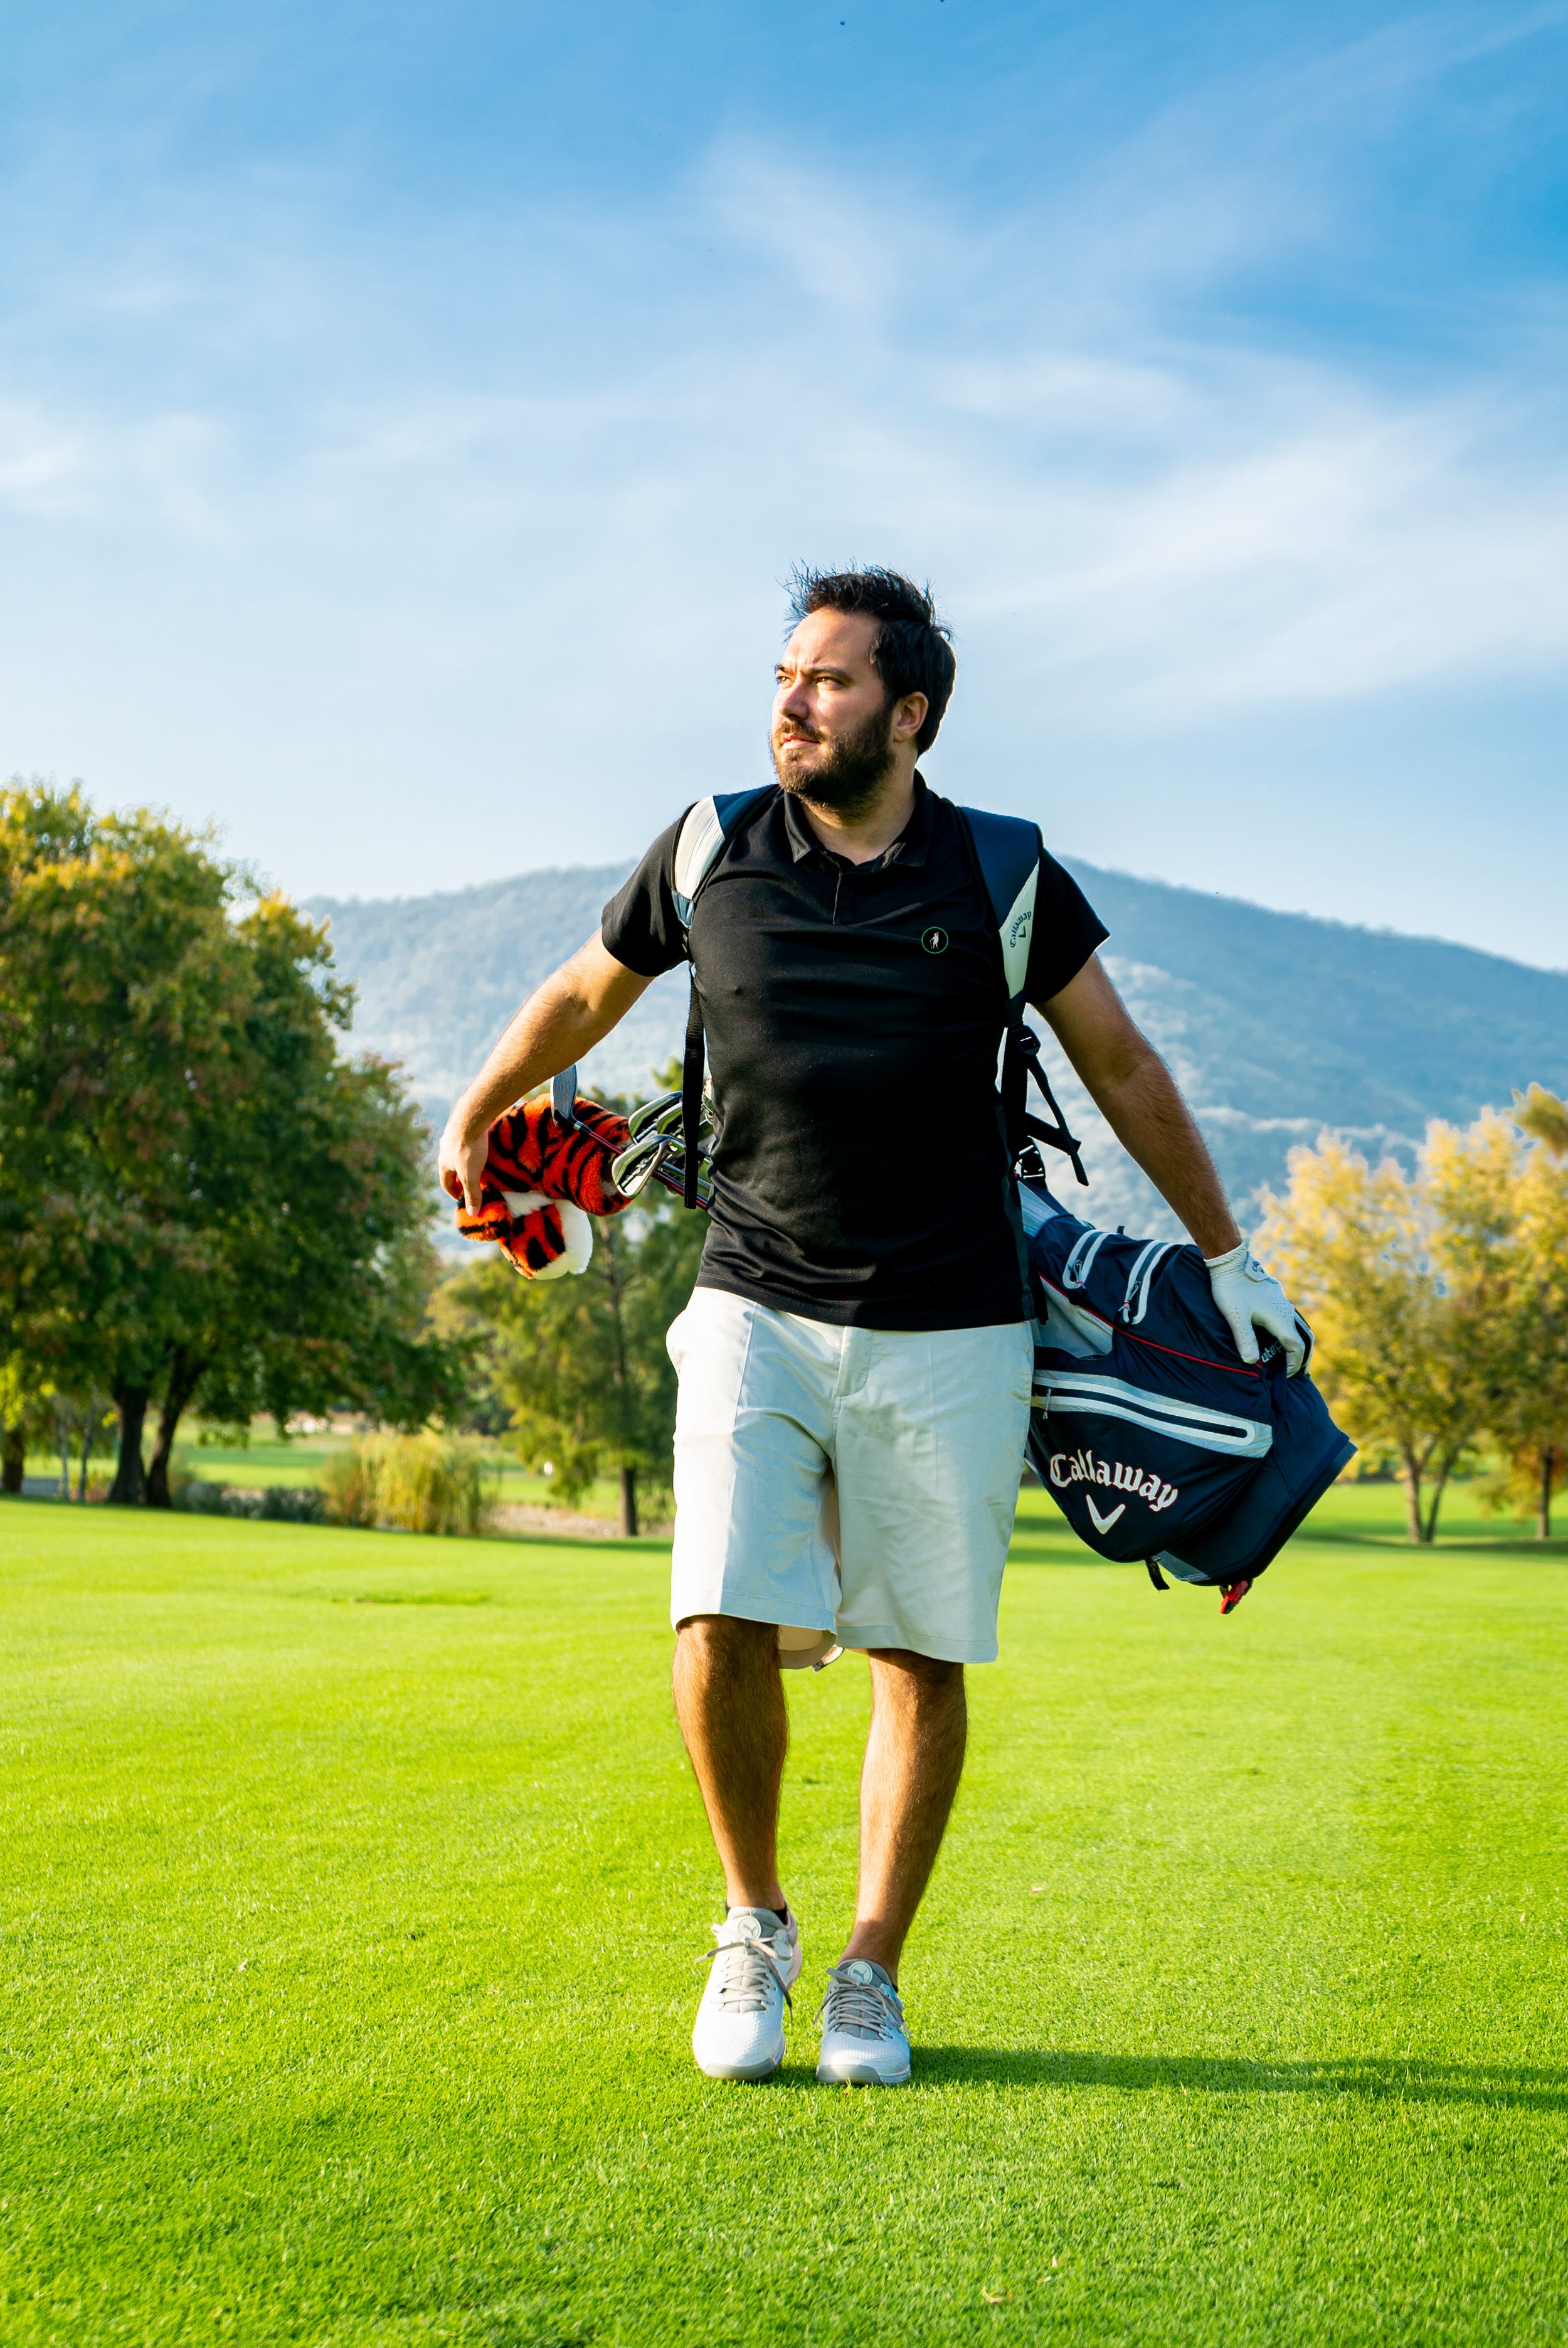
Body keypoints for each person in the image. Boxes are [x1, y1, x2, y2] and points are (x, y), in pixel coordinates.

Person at [438, 567, 1304, 2088]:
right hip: (751, 1296)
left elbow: (1119, 1062)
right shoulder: (710, 844)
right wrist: (478, 1101)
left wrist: (1227, 1254)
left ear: (907, 713)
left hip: (954, 1320)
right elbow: (587, 991)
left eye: (828, 681)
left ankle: (867, 1976)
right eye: (783, 674)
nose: (791, 701)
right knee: (711, 1608)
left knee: (917, 1648)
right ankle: (751, 1928)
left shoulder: (1003, 871)